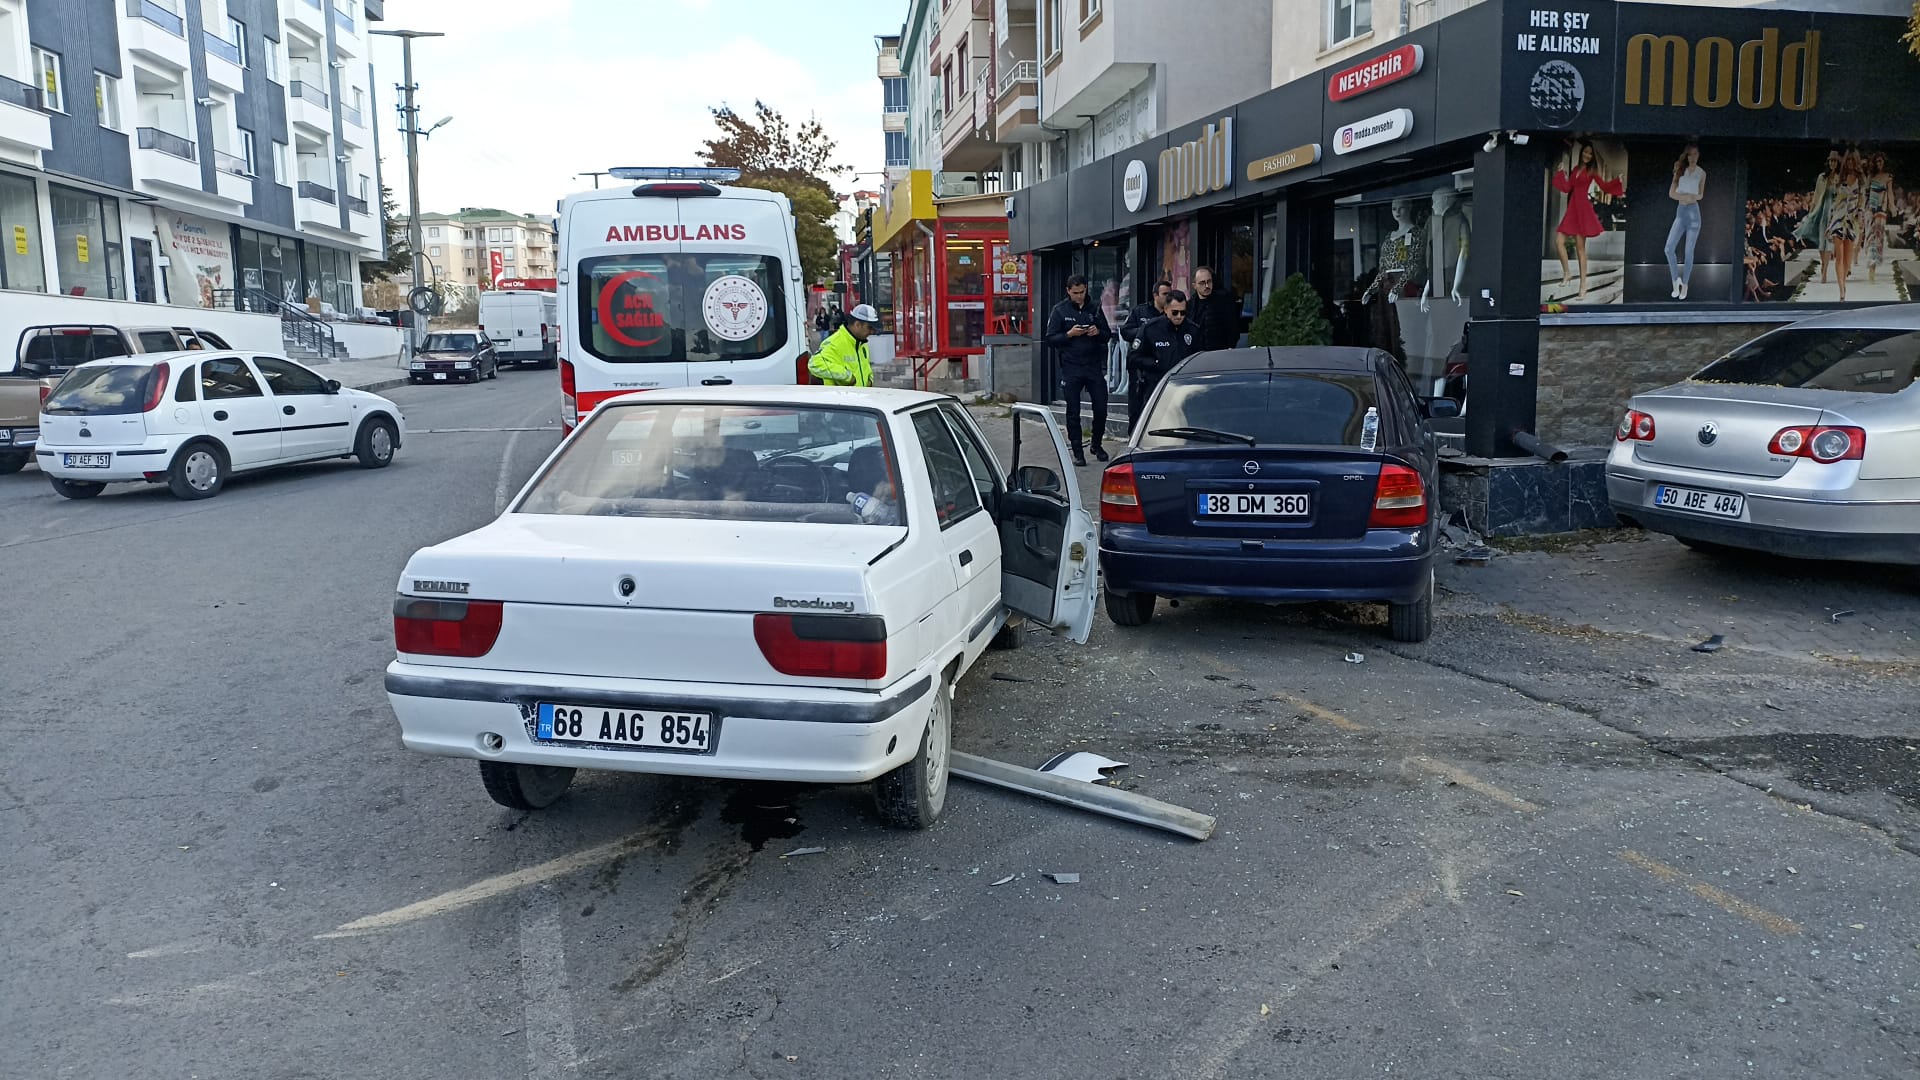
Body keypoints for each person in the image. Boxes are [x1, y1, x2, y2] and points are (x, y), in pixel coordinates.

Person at [1043, 274, 1113, 466]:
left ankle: (1096, 444)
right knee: (1073, 410)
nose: (1080, 296)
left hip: (1093, 366)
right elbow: (1050, 339)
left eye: (1082, 292)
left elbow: (1107, 335)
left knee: (1101, 407)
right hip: (1071, 367)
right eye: (1075, 293)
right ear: (1068, 291)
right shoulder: (1059, 310)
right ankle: (1077, 451)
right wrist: (1069, 334)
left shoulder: (1095, 308)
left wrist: (1097, 332)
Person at [1550, 139, 1624, 301]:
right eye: (1586, 152)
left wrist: (1617, 181)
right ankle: (1567, 273)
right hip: (1572, 209)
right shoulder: (1576, 168)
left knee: (1580, 250)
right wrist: (1561, 173)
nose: (1587, 155)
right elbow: (1567, 187)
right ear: (1582, 152)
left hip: (1582, 209)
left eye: (1590, 153)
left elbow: (1604, 187)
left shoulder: (1593, 172)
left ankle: (1583, 286)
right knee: (1558, 242)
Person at [1128, 291, 1198, 431]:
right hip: (1156, 386)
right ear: (1166, 310)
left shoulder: (1193, 330)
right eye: (1175, 312)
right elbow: (1134, 357)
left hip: (1184, 388)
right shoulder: (1150, 329)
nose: (1179, 316)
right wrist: (1157, 364)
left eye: (1183, 313)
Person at [1664, 142, 1705, 300]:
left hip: (1694, 213)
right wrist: (1685, 197)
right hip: (1680, 212)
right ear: (1686, 156)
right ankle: (1676, 281)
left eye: (1695, 154)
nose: (1693, 157)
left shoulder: (1702, 173)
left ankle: (1685, 285)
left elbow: (1701, 194)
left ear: (1698, 155)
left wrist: (1692, 197)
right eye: (1690, 154)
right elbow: (1671, 193)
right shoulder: (1680, 170)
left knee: (1689, 251)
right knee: (1668, 248)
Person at [809, 303, 878, 386]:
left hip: (861, 397)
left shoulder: (862, 343)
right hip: (842, 398)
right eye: (869, 328)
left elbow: (866, 367)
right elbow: (814, 365)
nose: (872, 332)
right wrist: (847, 377)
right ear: (857, 325)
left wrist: (870, 380)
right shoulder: (835, 342)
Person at [1188, 267, 1240, 350]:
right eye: (1202, 283)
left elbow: (1233, 328)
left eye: (1209, 281)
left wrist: (1229, 348)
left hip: (1219, 352)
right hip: (1197, 354)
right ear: (1194, 285)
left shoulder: (1223, 301)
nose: (1207, 286)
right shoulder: (1190, 305)